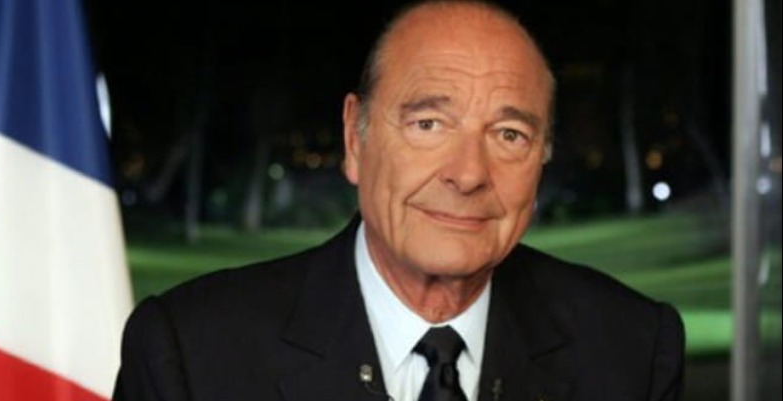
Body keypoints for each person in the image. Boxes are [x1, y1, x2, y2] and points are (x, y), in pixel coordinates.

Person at [113, 1, 685, 400]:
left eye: (509, 134)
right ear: (354, 140)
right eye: (428, 124)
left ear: (542, 159)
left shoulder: (633, 350)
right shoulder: (189, 354)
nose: (468, 174)